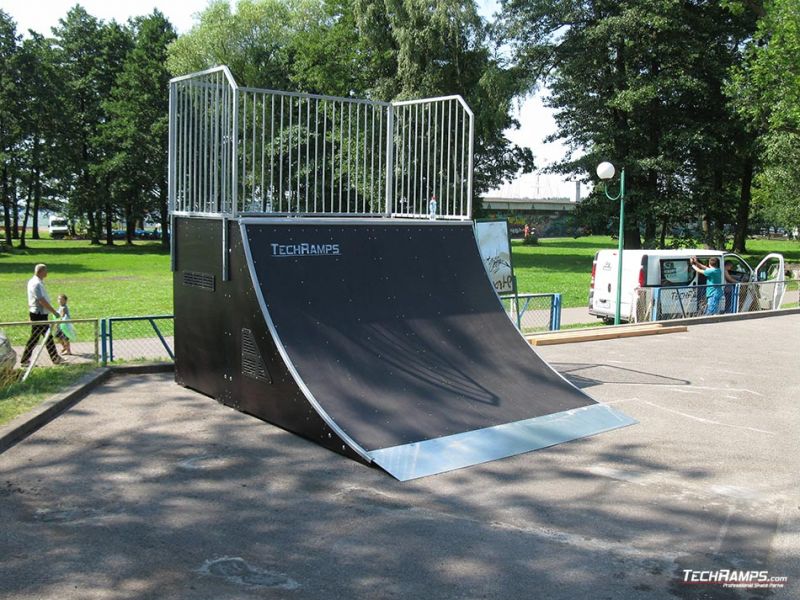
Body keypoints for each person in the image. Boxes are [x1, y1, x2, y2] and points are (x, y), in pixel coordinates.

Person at [20, 264, 64, 366]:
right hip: (39, 314)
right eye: (45, 271)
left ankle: (26, 359)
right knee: (44, 336)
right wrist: (54, 311)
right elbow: (41, 300)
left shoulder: (35, 282)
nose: (47, 273)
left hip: (37, 313)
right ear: (40, 271)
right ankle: (54, 358)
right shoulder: (36, 284)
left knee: (38, 337)